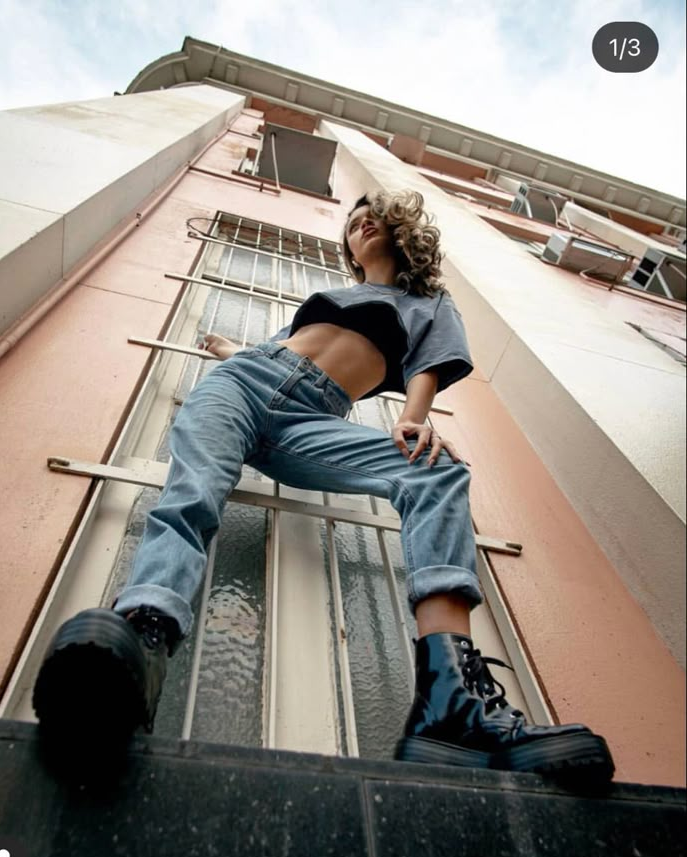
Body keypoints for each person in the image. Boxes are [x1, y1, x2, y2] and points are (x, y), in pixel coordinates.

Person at [33, 189, 614, 783]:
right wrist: (231, 350)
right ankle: (143, 641)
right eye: (352, 223)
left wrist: (413, 418)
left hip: (313, 416)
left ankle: (452, 705)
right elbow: (278, 350)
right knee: (193, 492)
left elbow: (429, 365)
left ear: (399, 230)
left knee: (436, 470)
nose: (359, 227)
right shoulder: (333, 296)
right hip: (242, 383)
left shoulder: (428, 303)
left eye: (371, 219)